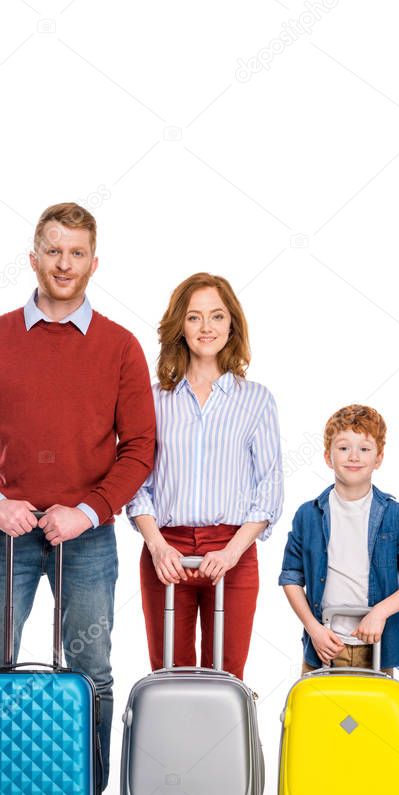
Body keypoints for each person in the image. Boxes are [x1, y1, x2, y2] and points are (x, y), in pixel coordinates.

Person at [0, 202, 156, 795]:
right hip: (5, 532)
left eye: (77, 252)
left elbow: (140, 448)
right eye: (52, 251)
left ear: (94, 261)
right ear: (33, 257)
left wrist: (86, 510)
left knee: (89, 672)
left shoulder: (118, 345)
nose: (64, 264)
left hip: (84, 534)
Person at [267, 403, 399, 795]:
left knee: (372, 747)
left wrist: (381, 612)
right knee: (315, 740)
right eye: (344, 447)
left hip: (374, 651)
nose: (354, 455)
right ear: (328, 455)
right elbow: (290, 577)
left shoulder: (393, 516)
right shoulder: (309, 513)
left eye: (364, 448)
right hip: (323, 647)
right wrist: (313, 628)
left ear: (379, 457)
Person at [127, 272, 283, 679]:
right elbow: (136, 481)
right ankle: (170, 745)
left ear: (231, 323)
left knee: (226, 676)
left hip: (232, 549)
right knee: (168, 675)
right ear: (180, 325)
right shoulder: (154, 399)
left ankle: (225, 744)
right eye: (194, 317)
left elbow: (269, 488)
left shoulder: (256, 400)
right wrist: (158, 546)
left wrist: (231, 552)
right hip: (167, 551)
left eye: (216, 316)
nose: (206, 327)